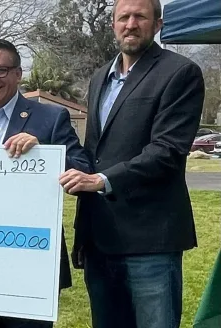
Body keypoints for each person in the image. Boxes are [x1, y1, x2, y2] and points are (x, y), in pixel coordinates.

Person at [58, 0, 205, 327]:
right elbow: (94, 151)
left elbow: (167, 151)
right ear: (113, 24)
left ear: (158, 25)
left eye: (141, 16)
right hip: (100, 238)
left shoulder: (180, 73)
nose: (131, 24)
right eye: (123, 17)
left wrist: (101, 180)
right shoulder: (100, 78)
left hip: (150, 240)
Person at [0, 38, 90, 328]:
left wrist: (45, 151)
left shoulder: (50, 118)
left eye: (0, 70)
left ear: (18, 74)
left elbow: (82, 169)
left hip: (31, 257)